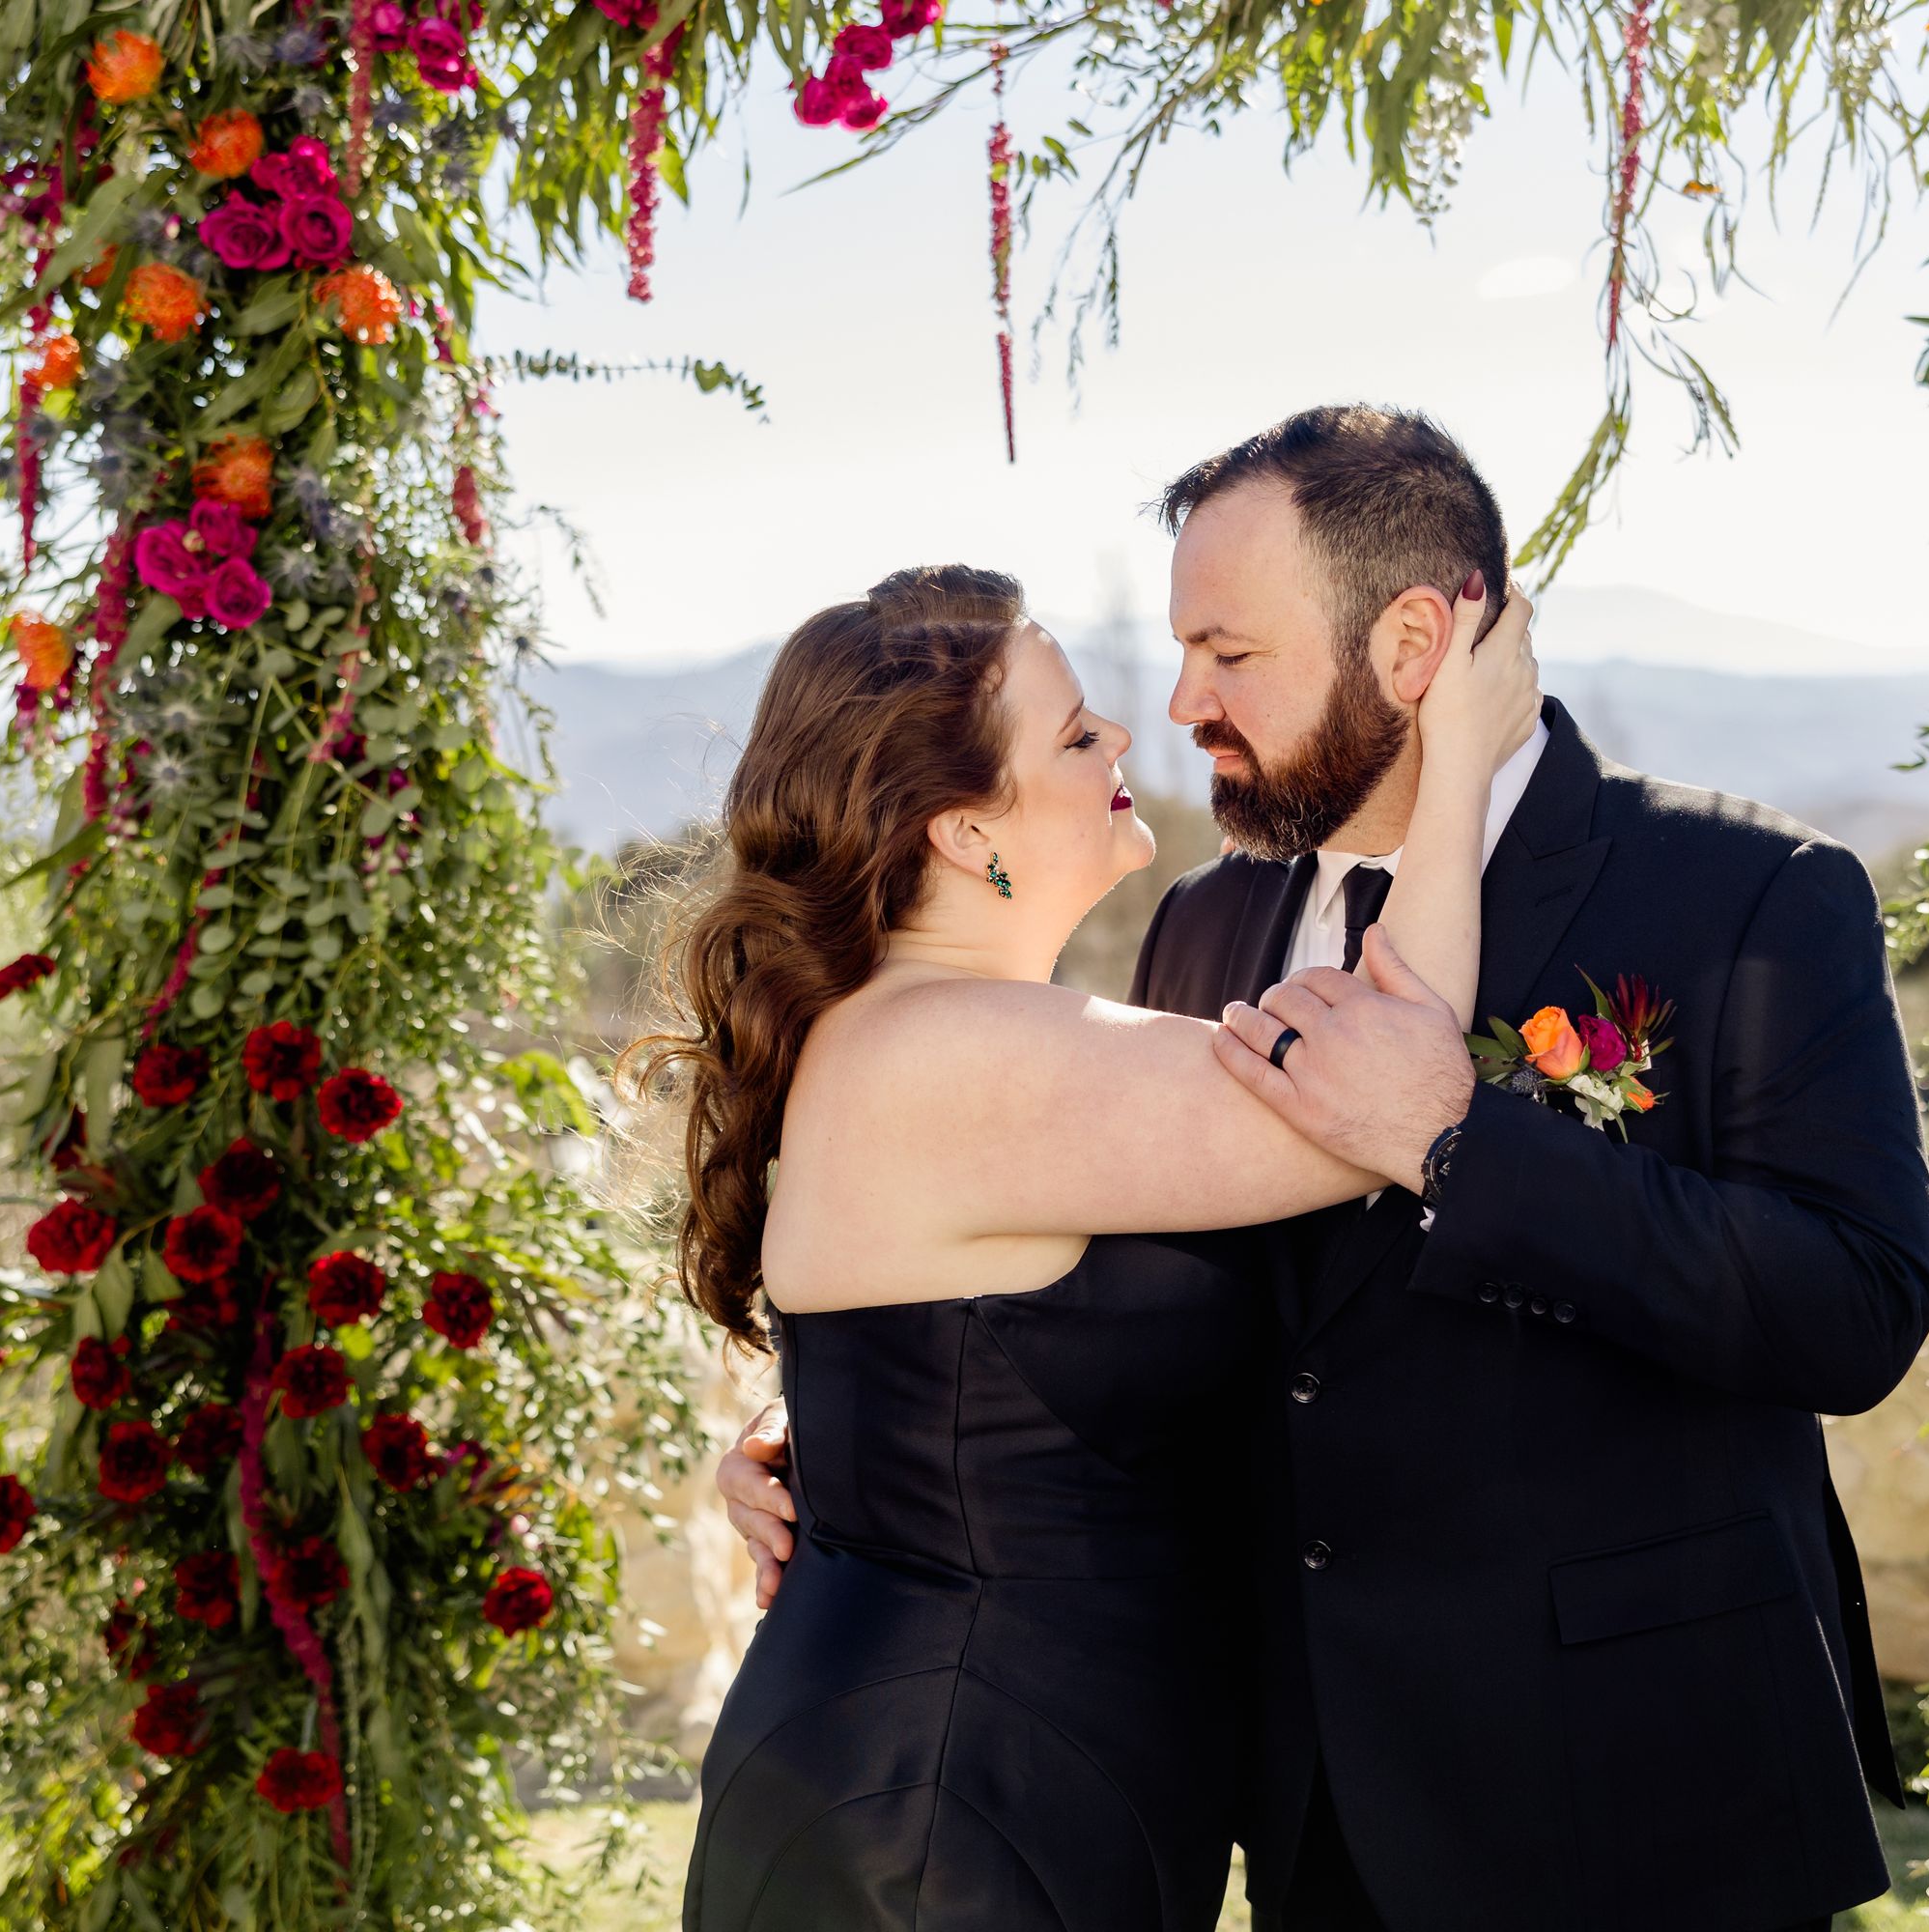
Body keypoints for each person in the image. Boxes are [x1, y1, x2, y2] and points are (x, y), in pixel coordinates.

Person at [719, 406, 1929, 1931]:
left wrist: (1458, 1148)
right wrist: (851, 1439)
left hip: (1641, 1798)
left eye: (1231, 655)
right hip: (1304, 1809)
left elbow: (1858, 1306)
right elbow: (1090, 1272)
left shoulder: (1747, 893)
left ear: (1415, 642)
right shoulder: (1204, 926)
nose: (1182, 705)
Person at [634, 558, 1541, 1930]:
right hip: (947, 1797)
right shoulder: (950, 1048)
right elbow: (1376, 1086)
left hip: (995, 1764)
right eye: (1070, 735)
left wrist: (825, 1438)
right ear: (957, 832)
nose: (1123, 737)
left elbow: (966, 1359)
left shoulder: (938, 1039)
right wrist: (1461, 750)